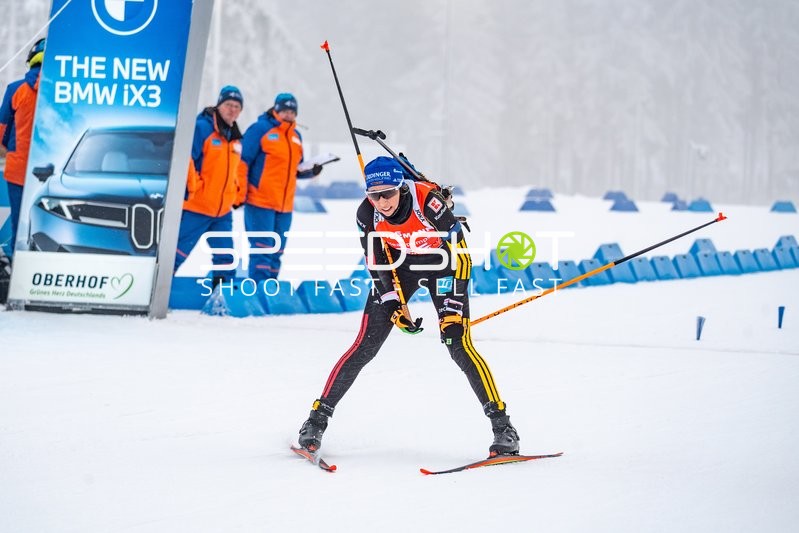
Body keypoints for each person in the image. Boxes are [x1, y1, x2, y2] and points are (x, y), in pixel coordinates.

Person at [296, 156, 521, 457]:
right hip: (401, 266)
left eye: (387, 193)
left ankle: (504, 428)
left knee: (458, 343)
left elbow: (462, 256)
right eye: (374, 195)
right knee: (365, 346)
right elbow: (376, 263)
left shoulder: (428, 202)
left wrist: (453, 307)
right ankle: (316, 420)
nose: (382, 202)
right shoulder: (367, 213)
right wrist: (393, 304)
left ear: (401, 187)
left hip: (444, 266)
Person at [240, 93, 322, 281]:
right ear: (276, 110)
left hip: (285, 206)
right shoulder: (260, 129)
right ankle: (258, 290)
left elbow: (296, 170)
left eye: (292, 112)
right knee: (262, 249)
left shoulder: (296, 136)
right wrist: (240, 192)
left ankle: (271, 288)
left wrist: (312, 171)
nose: (288, 115)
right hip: (260, 202)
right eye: (284, 110)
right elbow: (242, 162)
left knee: (277, 251)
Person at [174, 85, 247, 283]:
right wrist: (194, 188)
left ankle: (223, 296)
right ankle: (155, 295)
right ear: (219, 105)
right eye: (228, 104)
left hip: (222, 212)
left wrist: (236, 193)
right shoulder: (202, 128)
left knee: (226, 259)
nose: (232, 109)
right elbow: (186, 158)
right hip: (196, 207)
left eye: (237, 106)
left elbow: (236, 170)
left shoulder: (236, 138)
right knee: (176, 253)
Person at [0, 37, 45, 256]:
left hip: (18, 169)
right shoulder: (65, 90)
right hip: (52, 170)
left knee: (20, 225)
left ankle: (16, 263)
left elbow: (1, 131)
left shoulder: (15, 89)